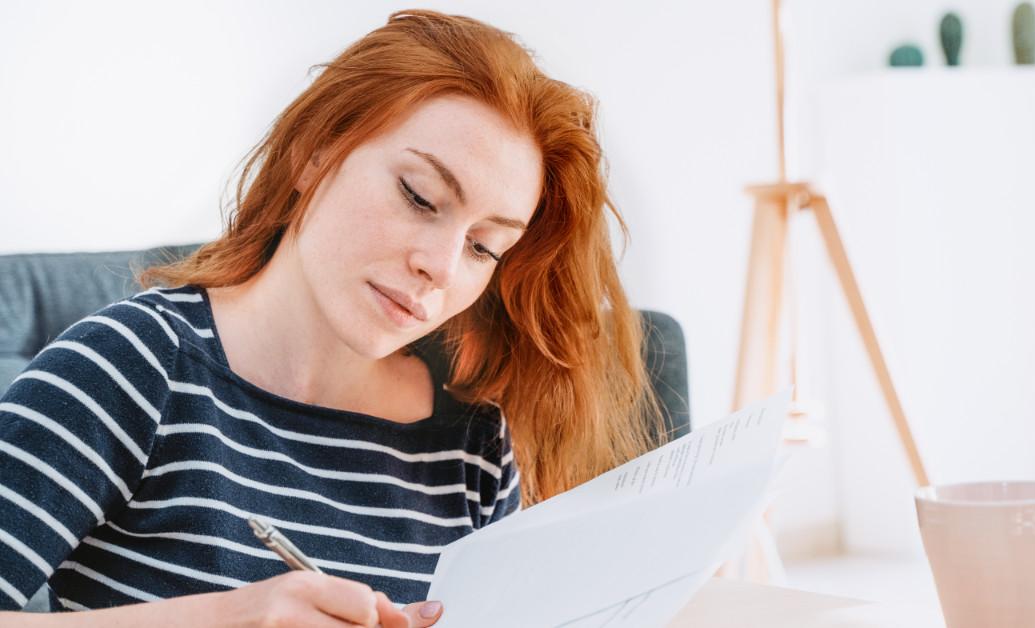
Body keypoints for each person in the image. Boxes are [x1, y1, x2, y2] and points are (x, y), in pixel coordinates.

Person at [0, 9, 663, 626]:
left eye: (484, 245)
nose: (440, 263)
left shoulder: (473, 451)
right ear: (314, 153)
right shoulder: (133, 367)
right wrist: (225, 617)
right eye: (419, 196)